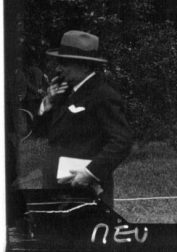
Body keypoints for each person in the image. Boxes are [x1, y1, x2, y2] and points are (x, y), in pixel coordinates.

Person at [36, 30, 133, 206]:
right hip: (57, 187)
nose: (59, 68)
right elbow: (46, 133)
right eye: (59, 62)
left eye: (65, 63)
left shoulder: (103, 95)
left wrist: (91, 173)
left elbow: (122, 141)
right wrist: (46, 105)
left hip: (85, 189)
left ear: (85, 66)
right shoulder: (64, 92)